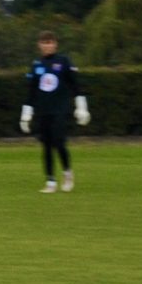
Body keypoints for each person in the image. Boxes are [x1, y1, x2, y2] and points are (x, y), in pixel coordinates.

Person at [23, 28, 89, 192]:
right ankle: (50, 181)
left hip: (60, 109)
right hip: (43, 110)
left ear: (55, 44)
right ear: (39, 45)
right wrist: (26, 114)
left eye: (50, 43)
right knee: (46, 145)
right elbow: (31, 92)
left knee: (59, 142)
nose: (47, 46)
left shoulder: (63, 61)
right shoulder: (36, 65)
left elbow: (75, 86)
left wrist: (81, 107)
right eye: (44, 43)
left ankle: (67, 172)